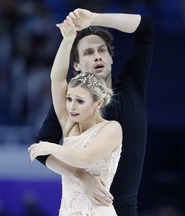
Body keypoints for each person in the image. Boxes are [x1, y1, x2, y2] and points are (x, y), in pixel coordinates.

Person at [34, 8, 154, 215]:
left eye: (102, 50)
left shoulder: (132, 85)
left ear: (111, 58)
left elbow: (145, 28)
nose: (98, 56)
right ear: (76, 65)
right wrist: (80, 177)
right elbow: (42, 151)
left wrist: (95, 18)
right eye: (89, 52)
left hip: (122, 209)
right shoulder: (71, 106)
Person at [28, 17, 123, 215]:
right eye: (69, 99)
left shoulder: (112, 128)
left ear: (97, 103)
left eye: (79, 101)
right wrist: (68, 39)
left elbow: (85, 158)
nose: (71, 106)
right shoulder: (70, 126)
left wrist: (49, 146)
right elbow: (57, 79)